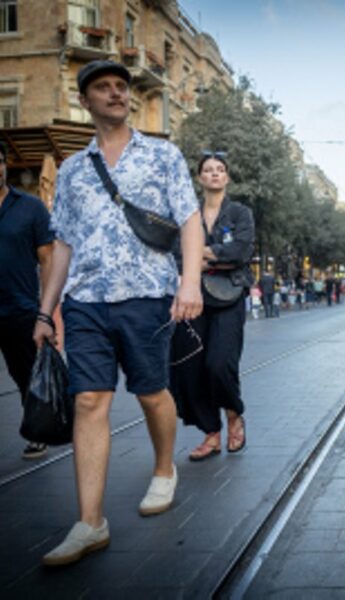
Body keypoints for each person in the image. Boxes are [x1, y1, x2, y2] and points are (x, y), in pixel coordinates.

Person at [33, 60, 204, 567]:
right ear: (84, 100)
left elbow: (189, 222)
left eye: (120, 88)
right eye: (102, 88)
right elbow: (62, 243)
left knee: (152, 392)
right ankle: (90, 522)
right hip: (85, 300)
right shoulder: (71, 170)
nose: (115, 94)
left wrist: (189, 282)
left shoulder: (162, 155)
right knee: (88, 400)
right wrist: (46, 312)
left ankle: (162, 469)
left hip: (147, 295)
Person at [170, 153, 254, 461]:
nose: (214, 174)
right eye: (208, 170)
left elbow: (242, 250)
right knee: (191, 368)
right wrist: (213, 255)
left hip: (229, 296)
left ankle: (234, 414)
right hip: (193, 297)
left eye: (220, 169)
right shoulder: (187, 214)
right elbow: (177, 254)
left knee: (219, 364)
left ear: (227, 177)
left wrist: (202, 252)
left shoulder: (240, 212)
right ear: (200, 178)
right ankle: (211, 432)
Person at [0, 141, 55, 459]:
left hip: (19, 308)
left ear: (5, 164)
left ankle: (37, 432)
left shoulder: (30, 207)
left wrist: (45, 312)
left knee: (25, 374)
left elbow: (47, 259)